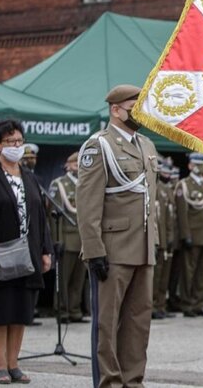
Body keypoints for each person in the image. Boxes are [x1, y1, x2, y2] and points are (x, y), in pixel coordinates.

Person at [76, 84, 160, 388]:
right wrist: (94, 250)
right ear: (115, 109)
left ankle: (132, 380)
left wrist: (154, 244)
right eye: (132, 107)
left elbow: (151, 199)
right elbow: (87, 204)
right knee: (107, 323)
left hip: (142, 248)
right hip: (112, 249)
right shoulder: (99, 146)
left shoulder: (147, 146)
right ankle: (109, 382)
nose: (138, 113)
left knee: (139, 322)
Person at [0, 119, 54, 384]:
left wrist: (45, 250)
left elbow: (40, 215)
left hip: (27, 254)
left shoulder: (28, 176)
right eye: (10, 142)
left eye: (19, 141)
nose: (16, 146)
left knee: (20, 311)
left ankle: (14, 364)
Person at [48, 152, 86, 324]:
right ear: (68, 165)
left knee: (78, 279)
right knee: (63, 279)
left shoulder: (86, 184)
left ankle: (75, 310)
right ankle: (61, 311)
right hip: (67, 239)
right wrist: (57, 241)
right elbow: (53, 215)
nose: (78, 167)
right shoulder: (59, 184)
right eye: (75, 164)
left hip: (83, 241)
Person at [176, 153, 203, 318]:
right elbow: (182, 213)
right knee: (189, 273)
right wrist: (186, 235)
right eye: (197, 164)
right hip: (193, 234)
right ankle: (187, 304)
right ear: (190, 166)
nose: (200, 167)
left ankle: (200, 304)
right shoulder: (184, 185)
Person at [151, 160, 178, 319]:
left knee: (164, 276)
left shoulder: (166, 190)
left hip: (165, 239)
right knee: (155, 276)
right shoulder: (152, 188)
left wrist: (169, 238)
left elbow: (170, 218)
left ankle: (161, 305)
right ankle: (152, 306)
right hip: (155, 239)